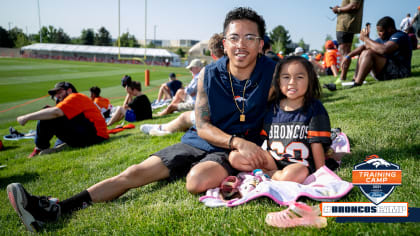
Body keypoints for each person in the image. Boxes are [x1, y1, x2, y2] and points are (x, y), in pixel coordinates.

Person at [6, 7, 276, 232]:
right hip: (202, 140)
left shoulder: (274, 72)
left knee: (196, 182)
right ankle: (55, 209)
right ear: (224, 42)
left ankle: (186, 169)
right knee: (133, 173)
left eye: (250, 37)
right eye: (235, 37)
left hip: (227, 153)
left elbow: (299, 97)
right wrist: (237, 140)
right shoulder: (209, 73)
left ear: (261, 43)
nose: (241, 44)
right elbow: (203, 125)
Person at [229, 56, 331, 182]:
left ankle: (269, 175)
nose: (292, 82)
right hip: (273, 161)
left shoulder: (314, 108)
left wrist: (321, 172)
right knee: (235, 157)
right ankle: (273, 173)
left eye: (299, 77)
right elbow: (262, 141)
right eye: (286, 77)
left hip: (299, 165)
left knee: (292, 174)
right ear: (278, 81)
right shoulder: (271, 108)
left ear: (310, 80)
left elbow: (317, 144)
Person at [141, 33, 225, 136]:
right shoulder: (236, 66)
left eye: (191, 68)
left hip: (222, 117)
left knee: (184, 117)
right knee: (180, 99)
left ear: (212, 54)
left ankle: (163, 128)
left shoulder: (210, 71)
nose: (190, 70)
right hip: (233, 114)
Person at [16, 82, 109, 158]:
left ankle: (39, 147)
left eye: (59, 92)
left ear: (69, 90)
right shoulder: (77, 99)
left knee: (48, 114)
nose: (57, 96)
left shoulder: (75, 97)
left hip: (95, 136)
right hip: (95, 135)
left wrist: (26, 117)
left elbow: (56, 112)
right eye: (56, 94)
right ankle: (63, 145)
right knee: (51, 114)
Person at [341, 16, 412, 88]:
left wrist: (366, 39)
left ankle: (357, 84)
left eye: (381, 31)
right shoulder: (382, 39)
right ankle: (355, 79)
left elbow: (384, 49)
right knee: (365, 51)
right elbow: (364, 46)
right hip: (386, 72)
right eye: (377, 31)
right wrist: (348, 56)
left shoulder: (399, 36)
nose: (379, 33)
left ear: (390, 29)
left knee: (368, 53)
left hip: (400, 72)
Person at [332, 0, 364, 81]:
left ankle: (342, 77)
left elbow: (354, 5)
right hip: (347, 23)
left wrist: (338, 9)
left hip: (346, 24)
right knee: (346, 52)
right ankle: (343, 77)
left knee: (345, 52)